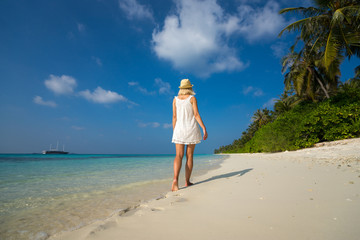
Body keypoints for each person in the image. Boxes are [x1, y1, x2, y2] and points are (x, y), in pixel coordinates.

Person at [171, 79, 208, 191]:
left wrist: (175, 131)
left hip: (179, 129)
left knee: (178, 155)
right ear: (190, 88)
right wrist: (204, 128)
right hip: (191, 128)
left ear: (181, 88)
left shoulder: (175, 99)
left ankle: (175, 180)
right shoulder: (192, 98)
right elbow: (196, 114)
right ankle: (187, 181)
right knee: (189, 156)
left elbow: (174, 117)